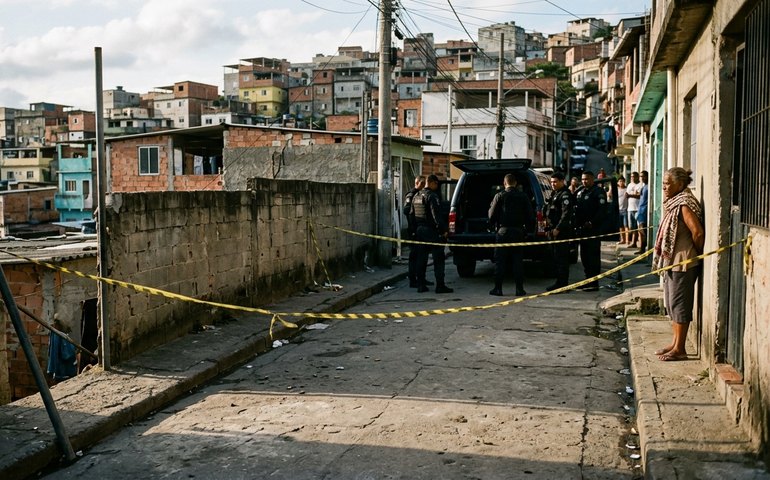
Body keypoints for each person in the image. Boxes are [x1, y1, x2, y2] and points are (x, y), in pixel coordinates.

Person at [652, 167, 704, 361]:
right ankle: (675, 343)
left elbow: (697, 232)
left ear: (680, 185)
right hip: (672, 261)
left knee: (680, 304)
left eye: (668, 184)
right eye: (663, 184)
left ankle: (680, 348)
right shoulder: (674, 202)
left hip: (683, 261)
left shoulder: (684, 204)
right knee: (673, 304)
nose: (664, 187)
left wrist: (694, 254)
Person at [488, 173, 535, 297]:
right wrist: (528, 231)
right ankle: (519, 289)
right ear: (516, 183)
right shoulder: (523, 196)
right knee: (517, 262)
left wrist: (492, 225)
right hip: (518, 232)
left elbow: (491, 216)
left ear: (504, 183)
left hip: (502, 232)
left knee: (500, 262)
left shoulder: (499, 196)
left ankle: (498, 289)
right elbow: (530, 216)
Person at [413, 174, 453, 294]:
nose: (437, 186)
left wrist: (414, 231)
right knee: (438, 259)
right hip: (432, 231)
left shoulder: (416, 196)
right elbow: (436, 216)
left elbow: (411, 214)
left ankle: (421, 285)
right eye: (436, 184)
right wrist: (445, 230)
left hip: (420, 230)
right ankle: (440, 286)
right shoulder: (432, 196)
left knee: (421, 258)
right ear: (431, 183)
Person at [574, 171, 607, 291]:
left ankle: (594, 283)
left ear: (592, 180)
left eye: (586, 179)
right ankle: (587, 280)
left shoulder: (598, 192)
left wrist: (592, 222)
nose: (584, 181)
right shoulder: (581, 192)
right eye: (582, 179)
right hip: (583, 230)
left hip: (593, 230)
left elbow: (602, 211)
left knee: (593, 257)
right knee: (584, 257)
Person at [545, 172, 574, 291]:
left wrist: (558, 228)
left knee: (562, 259)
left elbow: (566, 214)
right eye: (551, 182)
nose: (553, 184)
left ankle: (562, 284)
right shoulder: (555, 193)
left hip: (561, 232)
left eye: (555, 182)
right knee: (556, 258)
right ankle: (559, 282)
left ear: (562, 181)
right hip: (553, 230)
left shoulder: (565, 195)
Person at [403, 175, 429, 288]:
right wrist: (413, 227)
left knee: (422, 256)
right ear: (417, 183)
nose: (423, 186)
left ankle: (421, 278)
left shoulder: (422, 194)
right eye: (422, 183)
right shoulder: (411, 194)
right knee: (415, 256)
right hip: (414, 230)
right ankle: (413, 279)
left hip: (419, 230)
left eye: (424, 184)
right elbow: (406, 210)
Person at [635, 170, 649, 254]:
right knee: (640, 230)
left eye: (644, 176)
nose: (642, 178)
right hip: (640, 211)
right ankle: (641, 248)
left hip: (644, 212)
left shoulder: (649, 186)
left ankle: (643, 249)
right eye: (641, 176)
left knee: (643, 231)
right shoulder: (644, 186)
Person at [626, 171, 642, 247]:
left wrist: (630, 195)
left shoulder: (640, 185)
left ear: (637, 177)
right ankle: (632, 241)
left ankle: (634, 242)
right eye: (631, 177)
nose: (632, 178)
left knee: (637, 227)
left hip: (637, 208)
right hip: (630, 208)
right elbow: (627, 195)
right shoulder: (629, 185)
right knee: (631, 227)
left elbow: (639, 196)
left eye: (634, 176)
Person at [615, 176, 629, 245]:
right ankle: (622, 239)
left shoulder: (627, 189)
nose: (621, 182)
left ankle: (627, 240)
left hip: (625, 209)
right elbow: (609, 195)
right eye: (620, 181)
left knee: (626, 225)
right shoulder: (616, 190)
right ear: (618, 182)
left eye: (622, 181)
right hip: (618, 210)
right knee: (620, 226)